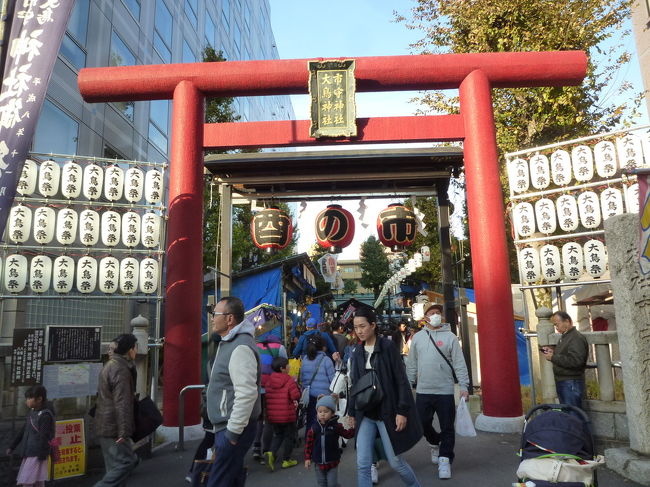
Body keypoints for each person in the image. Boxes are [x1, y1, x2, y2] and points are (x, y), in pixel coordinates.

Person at [349, 306, 422, 487]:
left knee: (395, 461)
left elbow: (401, 380)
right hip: (366, 413)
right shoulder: (357, 352)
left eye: (363, 326)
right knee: (363, 464)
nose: (359, 331)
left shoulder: (387, 347)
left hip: (387, 411)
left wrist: (402, 410)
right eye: (356, 327)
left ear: (373, 325)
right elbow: (355, 385)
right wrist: (351, 412)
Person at [406, 303, 470, 480]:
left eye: (437, 313)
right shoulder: (418, 337)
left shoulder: (450, 337)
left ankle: (445, 459)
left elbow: (459, 363)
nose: (435, 315)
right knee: (421, 423)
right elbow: (411, 364)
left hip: (445, 390)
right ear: (425, 317)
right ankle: (434, 442)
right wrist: (408, 385)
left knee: (448, 426)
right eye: (431, 313)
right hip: (424, 390)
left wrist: (464, 386)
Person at [206, 296, 261, 486]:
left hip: (233, 427)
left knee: (219, 480)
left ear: (229, 319)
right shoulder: (230, 342)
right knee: (232, 478)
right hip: (229, 425)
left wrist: (232, 432)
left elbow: (247, 393)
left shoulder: (240, 347)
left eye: (215, 314)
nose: (212, 318)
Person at [93, 333, 139, 487]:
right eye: (135, 347)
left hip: (106, 424)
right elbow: (122, 403)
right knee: (126, 463)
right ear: (130, 349)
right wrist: (124, 432)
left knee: (114, 468)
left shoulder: (112, 365)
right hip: (114, 427)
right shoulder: (120, 369)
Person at [7, 385, 55, 487]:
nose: (27, 401)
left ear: (39, 399)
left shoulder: (45, 415)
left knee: (27, 480)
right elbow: (23, 430)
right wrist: (12, 446)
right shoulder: (32, 412)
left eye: (29, 398)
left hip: (37, 454)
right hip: (30, 452)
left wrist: (41, 455)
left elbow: (44, 436)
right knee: (38, 481)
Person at [304, 394, 355, 487]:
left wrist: (353, 428)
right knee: (322, 484)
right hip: (318, 463)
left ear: (332, 413)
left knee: (332, 484)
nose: (322, 414)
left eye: (326, 411)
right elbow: (309, 443)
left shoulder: (336, 426)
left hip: (332, 462)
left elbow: (347, 435)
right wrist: (307, 458)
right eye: (320, 411)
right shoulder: (314, 428)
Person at [541, 310, 589, 409]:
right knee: (568, 414)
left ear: (567, 321)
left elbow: (576, 361)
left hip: (571, 382)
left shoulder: (576, 338)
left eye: (557, 324)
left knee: (573, 414)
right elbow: (565, 354)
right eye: (554, 325)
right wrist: (552, 352)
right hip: (564, 380)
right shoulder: (566, 336)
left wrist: (553, 357)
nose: (556, 327)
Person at [252, 334, 287, 461]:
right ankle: (267, 450)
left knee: (259, 419)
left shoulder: (256, 346)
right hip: (271, 388)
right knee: (269, 420)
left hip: (257, 386)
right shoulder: (280, 347)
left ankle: (256, 447)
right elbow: (284, 365)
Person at [264, 356, 301, 471]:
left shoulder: (269, 380)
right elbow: (295, 396)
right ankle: (286, 459)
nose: (289, 366)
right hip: (287, 414)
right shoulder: (289, 380)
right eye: (287, 365)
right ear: (282, 368)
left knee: (278, 435)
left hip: (273, 415)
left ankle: (271, 453)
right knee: (289, 436)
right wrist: (296, 385)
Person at [299, 334, 335, 433]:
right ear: (323, 347)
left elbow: (302, 378)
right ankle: (321, 443)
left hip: (309, 395)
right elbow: (333, 380)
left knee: (310, 420)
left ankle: (309, 443)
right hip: (323, 397)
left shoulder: (305, 359)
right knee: (324, 421)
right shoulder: (326, 360)